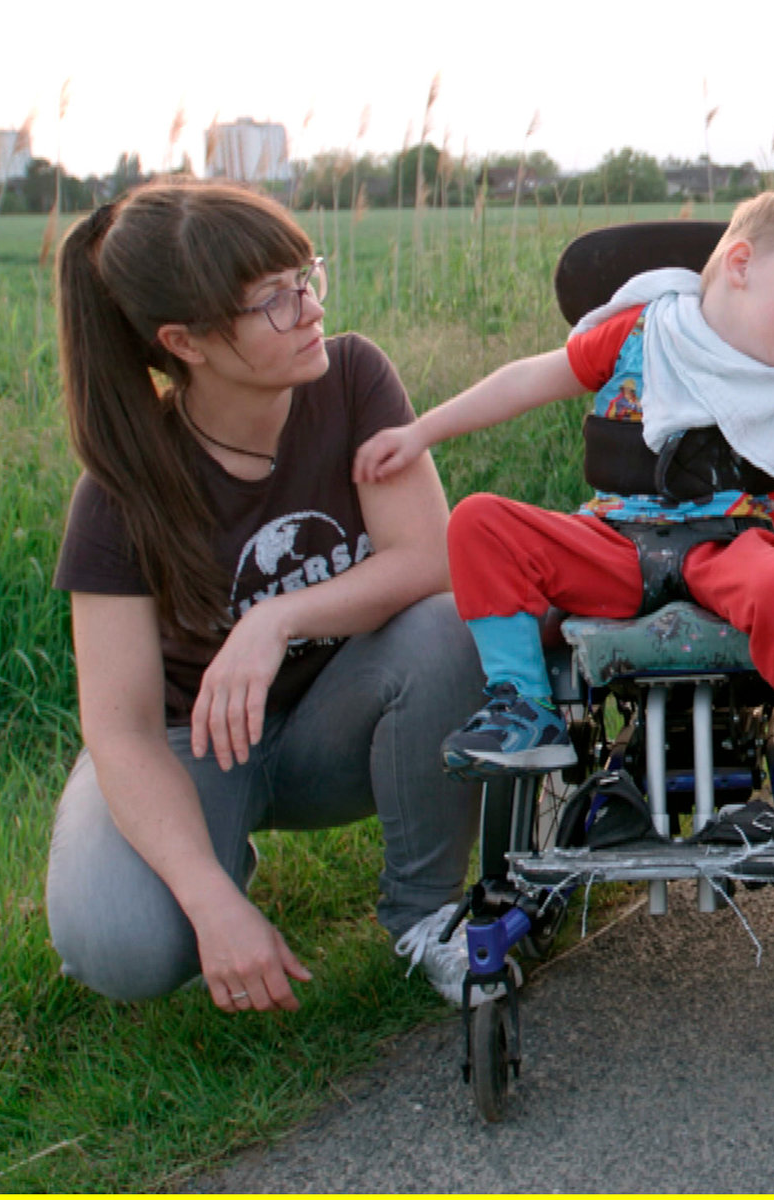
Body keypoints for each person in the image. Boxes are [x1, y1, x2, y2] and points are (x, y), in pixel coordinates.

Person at [354, 191, 774, 891]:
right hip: (615, 546)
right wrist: (419, 433)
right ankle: (524, 708)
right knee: (477, 521)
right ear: (739, 263)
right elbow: (527, 380)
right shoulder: (639, 336)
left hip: (730, 549)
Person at [45, 181, 487, 1016]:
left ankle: (426, 914)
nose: (309, 307)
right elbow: (120, 727)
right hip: (195, 744)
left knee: (448, 627)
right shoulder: (119, 492)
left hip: (338, 724)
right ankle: (206, 859)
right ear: (188, 341)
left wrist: (274, 619)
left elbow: (428, 561)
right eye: (273, 301)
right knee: (124, 951)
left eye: (306, 277)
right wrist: (209, 900)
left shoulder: (351, 378)